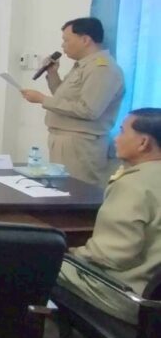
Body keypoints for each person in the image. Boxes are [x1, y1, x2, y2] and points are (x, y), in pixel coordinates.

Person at [56, 108, 161, 324]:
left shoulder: (134, 185)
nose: (116, 138)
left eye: (122, 131)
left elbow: (111, 255)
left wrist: (70, 253)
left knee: (39, 265)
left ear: (143, 143)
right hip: (153, 294)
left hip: (130, 296)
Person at [21, 17, 124, 187]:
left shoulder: (102, 68)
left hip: (81, 143)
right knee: (60, 189)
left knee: (77, 191)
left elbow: (88, 110)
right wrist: (53, 74)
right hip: (65, 139)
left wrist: (42, 99)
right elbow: (64, 100)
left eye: (66, 40)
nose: (63, 45)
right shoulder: (83, 66)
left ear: (85, 40)